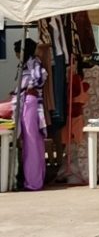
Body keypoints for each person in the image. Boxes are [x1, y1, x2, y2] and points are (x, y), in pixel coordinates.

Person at [11, 38, 47, 191]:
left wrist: (27, 88)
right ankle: (34, 179)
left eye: (17, 52)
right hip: (27, 101)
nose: (16, 55)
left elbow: (39, 78)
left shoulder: (33, 63)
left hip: (29, 102)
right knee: (32, 141)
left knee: (31, 142)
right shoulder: (27, 64)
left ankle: (33, 182)